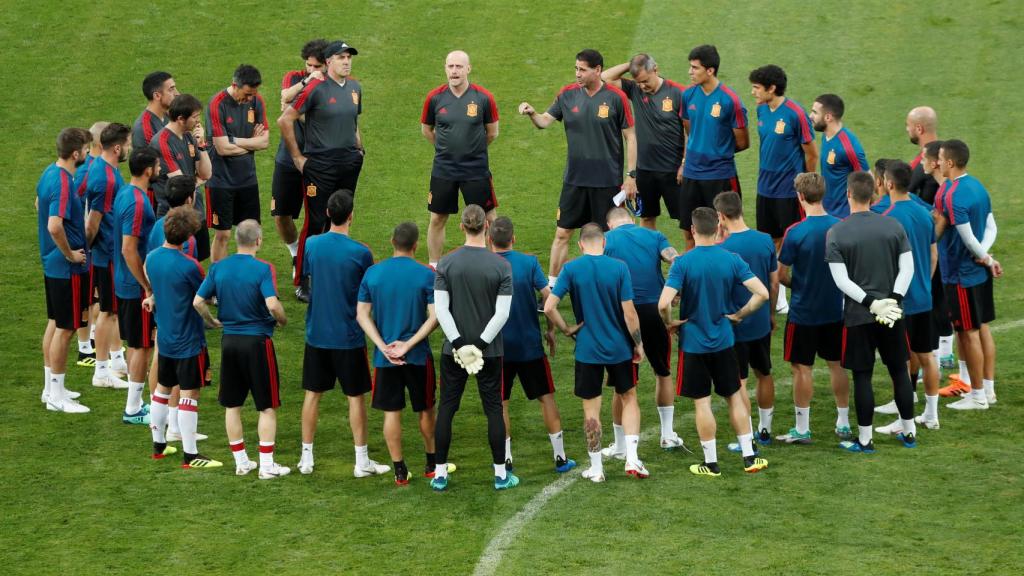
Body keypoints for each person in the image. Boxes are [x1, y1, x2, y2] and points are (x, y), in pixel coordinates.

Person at [658, 207, 769, 476]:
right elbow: (762, 293)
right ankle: (749, 457)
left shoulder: (683, 263)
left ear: (693, 230)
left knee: (702, 403)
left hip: (694, 343)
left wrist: (669, 322)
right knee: (734, 398)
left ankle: (711, 463)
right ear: (718, 227)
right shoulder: (731, 259)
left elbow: (663, 303)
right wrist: (740, 314)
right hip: (724, 340)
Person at [518, 49, 637, 292]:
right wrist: (532, 113)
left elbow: (631, 137)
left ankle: (611, 285)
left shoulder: (616, 98)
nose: (577, 74)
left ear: (598, 70)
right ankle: (551, 287)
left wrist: (631, 176)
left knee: (610, 238)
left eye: (582, 69)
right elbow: (544, 122)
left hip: (607, 182)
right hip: (575, 180)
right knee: (562, 234)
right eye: (576, 69)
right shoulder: (567, 94)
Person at [297, 190, 389, 478]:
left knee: (313, 395)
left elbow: (307, 276)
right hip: (348, 335)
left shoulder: (312, 245)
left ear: (327, 213)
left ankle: (306, 458)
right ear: (351, 215)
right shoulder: (361, 253)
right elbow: (370, 291)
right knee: (355, 398)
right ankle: (361, 461)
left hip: (317, 333)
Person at [545, 223, 646, 483]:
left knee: (591, 410)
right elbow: (630, 312)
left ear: (580, 244)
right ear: (604, 243)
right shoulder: (619, 267)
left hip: (587, 349)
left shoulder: (571, 269)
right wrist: (638, 344)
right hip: (619, 347)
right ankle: (632, 458)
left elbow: (548, 307)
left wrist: (566, 328)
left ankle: (597, 468)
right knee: (629, 397)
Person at [826, 171, 917, 452]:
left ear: (848, 195)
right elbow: (908, 268)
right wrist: (892, 300)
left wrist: (871, 303)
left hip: (858, 316)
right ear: (874, 195)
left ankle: (865, 439)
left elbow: (842, 281)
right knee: (899, 371)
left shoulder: (836, 232)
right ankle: (910, 432)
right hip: (892, 314)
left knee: (862, 376)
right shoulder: (893, 226)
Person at [194, 220, 290, 479]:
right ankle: (267, 465)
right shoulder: (263, 269)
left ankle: (241, 462)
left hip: (230, 343)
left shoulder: (219, 268)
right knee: (267, 406)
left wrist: (212, 321)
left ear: (237, 240)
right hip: (257, 343)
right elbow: (272, 305)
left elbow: (198, 301)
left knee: (232, 405)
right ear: (258, 241)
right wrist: (282, 320)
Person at [431, 205, 515, 491]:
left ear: (461, 227)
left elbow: (441, 310)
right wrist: (478, 346)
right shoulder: (502, 266)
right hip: (489, 352)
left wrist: (459, 345)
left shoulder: (445, 263)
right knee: (493, 409)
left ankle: (440, 473)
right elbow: (502, 314)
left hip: (452, 351)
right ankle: (500, 474)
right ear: (486, 228)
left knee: (447, 408)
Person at [357, 222, 445, 485]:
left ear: (392, 241)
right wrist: (408, 344)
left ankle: (399, 470)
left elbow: (362, 314)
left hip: (385, 359)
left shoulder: (373, 274)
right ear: (416, 245)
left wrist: (383, 346)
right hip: (418, 357)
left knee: (391, 413)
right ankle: (432, 464)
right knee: (427, 409)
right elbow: (436, 316)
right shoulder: (426, 274)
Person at [278, 40, 364, 303]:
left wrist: (360, 150)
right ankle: (303, 279)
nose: (347, 61)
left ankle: (332, 271)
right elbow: (285, 119)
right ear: (329, 62)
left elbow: (353, 122)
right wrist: (297, 158)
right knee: (315, 222)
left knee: (341, 219)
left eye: (349, 57)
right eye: (341, 57)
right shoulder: (315, 87)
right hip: (320, 165)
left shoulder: (355, 87)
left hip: (348, 162)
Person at [489, 216, 576, 473]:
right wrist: (553, 330)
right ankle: (560, 457)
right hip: (529, 346)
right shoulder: (528, 263)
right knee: (546, 398)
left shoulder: (486, 265)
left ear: (489, 240)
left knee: (501, 403)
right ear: (513, 239)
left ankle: (506, 459)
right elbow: (548, 299)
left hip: (498, 348)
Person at [601, 207, 685, 456]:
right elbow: (676, 260)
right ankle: (667, 435)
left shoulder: (606, 241)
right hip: (654, 310)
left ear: (609, 224)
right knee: (663, 372)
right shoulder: (654, 236)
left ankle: (619, 445)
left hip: (623, 313)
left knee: (623, 382)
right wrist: (675, 290)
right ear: (632, 220)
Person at [775, 173, 851, 443]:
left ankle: (803, 428)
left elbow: (781, 275)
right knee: (837, 365)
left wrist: (799, 284)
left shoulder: (796, 232)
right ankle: (843, 423)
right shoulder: (841, 226)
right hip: (835, 310)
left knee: (801, 368)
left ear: (800, 197)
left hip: (803, 312)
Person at [144, 207, 219, 468]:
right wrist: (212, 321)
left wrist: (153, 296)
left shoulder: (152, 258)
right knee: (189, 394)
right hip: (188, 340)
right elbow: (204, 298)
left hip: (165, 338)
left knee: (162, 390)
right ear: (188, 238)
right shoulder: (190, 266)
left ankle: (158, 446)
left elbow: (149, 277)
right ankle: (191, 455)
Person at [871, 161, 941, 433]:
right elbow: (933, 255)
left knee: (899, 359)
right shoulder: (924, 213)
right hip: (924, 294)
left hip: (900, 299)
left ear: (888, 184)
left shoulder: (886, 215)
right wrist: (924, 280)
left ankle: (904, 419)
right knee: (926, 355)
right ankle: (931, 415)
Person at [934, 139, 1001, 410]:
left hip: (960, 275)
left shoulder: (953, 194)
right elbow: (991, 227)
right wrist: (987, 257)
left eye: (939, 158)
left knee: (967, 332)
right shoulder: (978, 186)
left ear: (950, 162)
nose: (937, 162)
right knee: (982, 327)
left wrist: (983, 256)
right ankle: (988, 390)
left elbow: (967, 237)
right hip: (978, 273)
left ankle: (977, 397)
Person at [748, 65, 816, 314]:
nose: (753, 92)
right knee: (768, 242)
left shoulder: (796, 114)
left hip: (788, 192)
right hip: (764, 188)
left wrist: (803, 185)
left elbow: (811, 154)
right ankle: (780, 299)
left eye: (756, 87)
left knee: (790, 244)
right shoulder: (761, 110)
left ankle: (807, 292)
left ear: (771, 88)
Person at [713, 192, 779, 450]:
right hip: (761, 320)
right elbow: (773, 284)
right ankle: (765, 429)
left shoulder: (723, 250)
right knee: (764, 373)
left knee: (739, 381)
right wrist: (771, 314)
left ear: (720, 216)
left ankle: (747, 436)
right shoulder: (764, 240)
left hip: (734, 325)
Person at [421, 50, 500, 267]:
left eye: (458, 66)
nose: (454, 71)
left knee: (488, 218)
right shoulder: (435, 98)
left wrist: (473, 151)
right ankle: (435, 266)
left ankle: (493, 264)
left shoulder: (483, 98)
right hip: (444, 169)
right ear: (445, 68)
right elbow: (427, 129)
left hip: (475, 169)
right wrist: (445, 148)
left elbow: (492, 132)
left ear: (468, 69)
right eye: (450, 66)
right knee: (437, 218)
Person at [38, 127, 92, 413]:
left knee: (54, 323)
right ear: (76, 153)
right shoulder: (61, 181)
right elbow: (54, 224)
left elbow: (39, 204)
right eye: (85, 149)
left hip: (52, 263)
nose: (87, 153)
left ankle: (51, 388)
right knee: (67, 328)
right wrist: (70, 253)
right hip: (66, 268)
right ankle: (57, 396)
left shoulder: (50, 172)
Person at [601, 53, 687, 229]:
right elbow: (604, 78)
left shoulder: (678, 92)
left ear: (655, 69)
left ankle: (690, 257)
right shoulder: (635, 90)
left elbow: (689, 132)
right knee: (646, 219)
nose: (642, 86)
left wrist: (685, 163)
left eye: (645, 80)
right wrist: (632, 64)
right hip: (645, 170)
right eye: (638, 81)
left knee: (686, 223)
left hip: (673, 171)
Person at [678, 45, 749, 250]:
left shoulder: (730, 100)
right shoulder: (688, 95)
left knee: (724, 234)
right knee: (689, 233)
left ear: (710, 70)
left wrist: (716, 150)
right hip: (692, 174)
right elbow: (690, 130)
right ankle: (691, 277)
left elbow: (743, 142)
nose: (690, 72)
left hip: (720, 176)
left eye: (695, 68)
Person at [114, 148, 165, 426]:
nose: (159, 170)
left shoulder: (125, 192)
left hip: (124, 281)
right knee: (143, 346)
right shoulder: (136, 201)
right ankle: (133, 409)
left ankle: (135, 404)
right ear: (148, 170)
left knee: (137, 343)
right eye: (157, 166)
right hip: (134, 286)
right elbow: (129, 249)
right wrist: (146, 286)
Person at [272, 39, 328, 280]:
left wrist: (297, 111)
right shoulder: (295, 77)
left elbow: (316, 118)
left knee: (318, 217)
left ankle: (312, 264)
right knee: (281, 214)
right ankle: (296, 253)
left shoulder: (334, 84)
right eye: (309, 65)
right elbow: (285, 96)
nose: (312, 70)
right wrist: (308, 80)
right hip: (287, 159)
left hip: (317, 160)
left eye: (317, 66)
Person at [84, 122, 132, 390]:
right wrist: (87, 252)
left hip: (109, 251)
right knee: (108, 312)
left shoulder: (107, 170)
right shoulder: (105, 177)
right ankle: (101, 371)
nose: (130, 149)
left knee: (112, 310)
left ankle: (114, 360)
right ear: (117, 147)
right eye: (128, 144)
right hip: (106, 253)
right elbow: (93, 222)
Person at [206, 64, 270, 262]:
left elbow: (265, 142)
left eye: (254, 93)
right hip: (220, 180)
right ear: (235, 85)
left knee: (251, 231)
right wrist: (251, 144)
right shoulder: (217, 104)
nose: (251, 98)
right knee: (223, 234)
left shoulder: (257, 101)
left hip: (247, 178)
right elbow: (221, 148)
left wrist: (233, 140)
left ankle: (246, 278)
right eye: (247, 93)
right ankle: (218, 284)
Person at [151, 94, 212, 261]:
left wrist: (201, 145)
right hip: (175, 217)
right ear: (180, 119)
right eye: (194, 117)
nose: (198, 121)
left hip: (195, 210)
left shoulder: (189, 136)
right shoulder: (161, 142)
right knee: (178, 262)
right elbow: (181, 185)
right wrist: (197, 181)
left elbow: (206, 174)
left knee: (197, 259)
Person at [810, 94, 868, 218]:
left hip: (843, 215)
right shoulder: (827, 135)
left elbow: (867, 179)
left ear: (828, 117)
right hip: (827, 209)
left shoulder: (848, 147)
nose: (810, 116)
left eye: (815, 112)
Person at [133, 71, 180, 150]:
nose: (177, 93)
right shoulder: (144, 129)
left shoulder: (171, 116)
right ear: (157, 96)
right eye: (171, 89)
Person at [905, 106, 941, 205]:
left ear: (919, 129)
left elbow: (902, 195)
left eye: (908, 125)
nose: (907, 129)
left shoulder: (922, 163)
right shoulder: (949, 154)